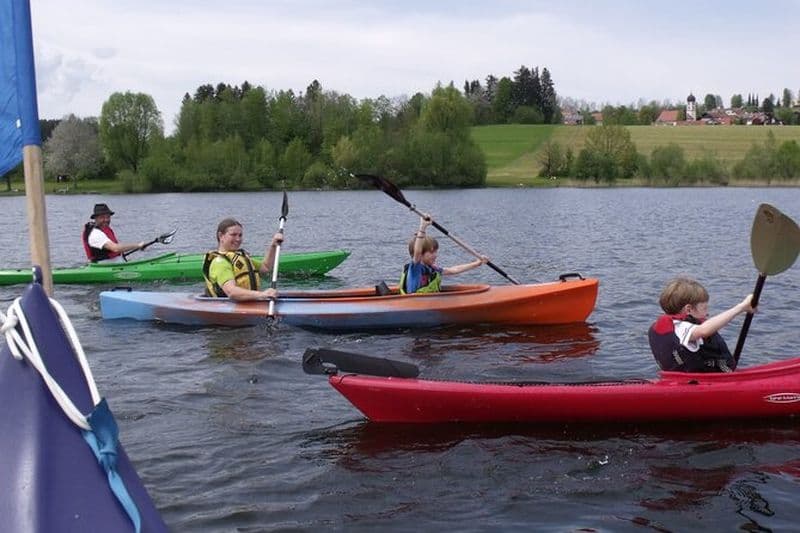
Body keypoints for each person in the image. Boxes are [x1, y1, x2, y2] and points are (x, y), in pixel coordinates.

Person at [648, 277, 756, 373]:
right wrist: (741, 308)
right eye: (704, 308)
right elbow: (704, 331)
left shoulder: (673, 326)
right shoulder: (680, 327)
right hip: (699, 382)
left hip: (686, 378)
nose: (707, 313)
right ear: (688, 309)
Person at [400, 214, 488, 294]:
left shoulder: (432, 269)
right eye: (431, 252)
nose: (435, 255)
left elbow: (454, 270)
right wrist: (423, 227)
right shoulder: (416, 268)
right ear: (421, 255)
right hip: (415, 305)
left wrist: (477, 263)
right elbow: (418, 252)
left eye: (435, 252)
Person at [202, 218, 284, 301]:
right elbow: (231, 292)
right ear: (221, 236)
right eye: (233, 235)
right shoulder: (220, 263)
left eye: (240, 235)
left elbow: (266, 267)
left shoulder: (239, 258)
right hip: (230, 309)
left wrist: (273, 245)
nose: (238, 239)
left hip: (249, 305)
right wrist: (262, 294)